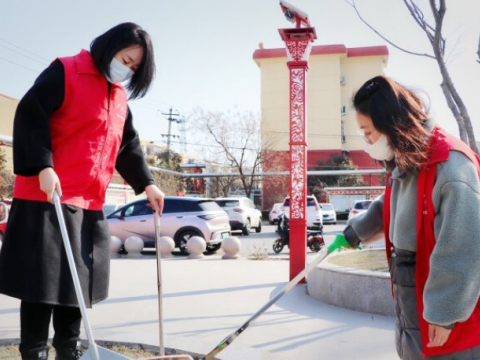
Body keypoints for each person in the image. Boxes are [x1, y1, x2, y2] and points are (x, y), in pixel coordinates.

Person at [0, 23, 165, 360]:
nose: (127, 69)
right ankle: (33, 353)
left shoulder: (118, 97)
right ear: (110, 47)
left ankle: (68, 351)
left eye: (134, 68)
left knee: (75, 285)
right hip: (47, 197)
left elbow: (127, 144)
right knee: (41, 287)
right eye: (126, 59)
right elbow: (31, 115)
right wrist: (43, 166)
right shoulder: (66, 70)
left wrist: (147, 182)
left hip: (89, 203)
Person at [342, 75, 480, 359]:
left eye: (369, 132)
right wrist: (357, 231)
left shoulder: (451, 165)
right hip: (410, 291)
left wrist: (445, 314)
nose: (367, 141)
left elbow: (464, 246)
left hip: (445, 311)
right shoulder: (409, 158)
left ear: (391, 123)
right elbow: (390, 202)